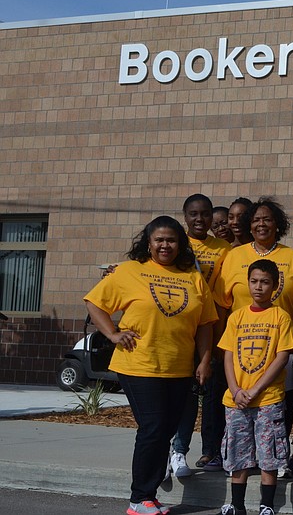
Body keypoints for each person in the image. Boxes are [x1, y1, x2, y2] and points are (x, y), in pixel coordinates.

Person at [84, 216, 217, 515]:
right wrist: (113, 334)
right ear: (148, 243)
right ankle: (138, 498)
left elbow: (206, 324)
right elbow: (95, 303)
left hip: (179, 366)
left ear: (180, 244)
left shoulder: (192, 276)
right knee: (153, 427)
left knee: (165, 430)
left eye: (171, 239)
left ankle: (150, 496)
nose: (165, 245)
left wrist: (205, 360)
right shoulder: (130, 271)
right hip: (138, 363)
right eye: (159, 240)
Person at [217, 259, 293, 515]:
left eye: (265, 282)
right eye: (254, 281)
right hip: (237, 399)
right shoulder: (236, 317)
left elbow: (281, 357)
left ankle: (266, 505)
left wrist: (256, 390)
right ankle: (237, 505)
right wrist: (236, 389)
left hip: (267, 399)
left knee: (268, 452)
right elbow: (228, 355)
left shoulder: (281, 317)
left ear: (274, 287)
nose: (259, 287)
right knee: (237, 452)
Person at [172, 194, 231, 474]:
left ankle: (209, 449)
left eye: (205, 214)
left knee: (205, 392)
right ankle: (177, 450)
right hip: (178, 326)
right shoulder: (176, 242)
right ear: (185, 216)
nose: (199, 219)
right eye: (193, 214)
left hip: (209, 326)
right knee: (180, 393)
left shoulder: (224, 248)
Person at [215, 197, 293, 321]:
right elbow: (221, 303)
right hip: (241, 335)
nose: (261, 224)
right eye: (256, 220)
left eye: (267, 220)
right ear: (249, 225)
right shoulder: (234, 256)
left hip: (281, 335)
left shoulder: (292, 256)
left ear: (277, 225)